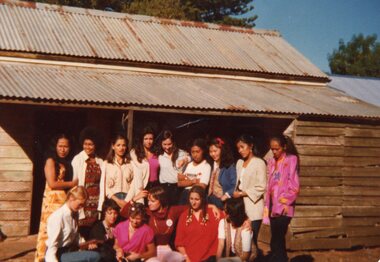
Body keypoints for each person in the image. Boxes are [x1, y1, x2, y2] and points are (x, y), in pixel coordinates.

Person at [120, 186, 221, 248]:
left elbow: (192, 205)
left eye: (153, 201)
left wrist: (211, 206)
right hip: (151, 251)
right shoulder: (147, 212)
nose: (149, 203)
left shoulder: (172, 211)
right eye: (148, 200)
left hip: (168, 250)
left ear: (161, 201)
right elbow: (124, 213)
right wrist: (135, 198)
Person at [35, 134, 78, 262]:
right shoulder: (50, 160)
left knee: (60, 233)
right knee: (47, 233)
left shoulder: (68, 162)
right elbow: (52, 183)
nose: (63, 149)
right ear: (55, 146)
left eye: (66, 146)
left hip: (63, 201)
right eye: (60, 146)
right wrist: (72, 184)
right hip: (52, 202)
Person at [263, 135, 300, 262]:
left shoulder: (291, 160)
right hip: (272, 205)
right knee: (277, 239)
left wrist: (285, 201)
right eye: (272, 149)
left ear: (284, 147)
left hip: (284, 206)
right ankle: (281, 258)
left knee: (277, 239)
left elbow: (294, 185)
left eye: (277, 149)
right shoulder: (271, 161)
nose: (274, 152)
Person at [45, 186, 101, 262]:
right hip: (58, 253)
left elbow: (75, 236)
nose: (81, 208)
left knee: (96, 252)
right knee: (94, 256)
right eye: (80, 204)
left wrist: (86, 244)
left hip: (69, 250)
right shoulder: (58, 217)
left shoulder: (74, 214)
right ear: (71, 198)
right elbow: (52, 246)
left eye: (83, 205)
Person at [233, 135, 266, 259]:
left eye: (242, 147)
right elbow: (238, 183)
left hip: (253, 207)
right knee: (243, 240)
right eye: (238, 148)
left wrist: (242, 193)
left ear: (251, 145)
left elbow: (261, 186)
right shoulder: (239, 163)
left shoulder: (259, 163)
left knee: (252, 241)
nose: (240, 150)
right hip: (241, 207)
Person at [72, 127, 105, 239]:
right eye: (85, 144)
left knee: (94, 231)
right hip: (83, 201)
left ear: (95, 145)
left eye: (91, 144)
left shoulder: (100, 161)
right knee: (81, 231)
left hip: (96, 202)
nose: (87, 147)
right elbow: (75, 182)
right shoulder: (78, 159)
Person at [175, 186, 220, 262]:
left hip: (210, 258)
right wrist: (187, 258)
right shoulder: (184, 216)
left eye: (197, 199)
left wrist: (246, 222)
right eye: (191, 199)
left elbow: (231, 215)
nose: (193, 202)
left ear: (202, 199)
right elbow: (179, 243)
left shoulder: (212, 212)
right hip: (190, 258)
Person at [158, 130, 189, 205]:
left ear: (173, 143)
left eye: (169, 144)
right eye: (164, 144)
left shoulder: (181, 153)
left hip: (177, 187)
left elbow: (190, 157)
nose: (167, 147)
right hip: (164, 187)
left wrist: (185, 160)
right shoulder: (159, 155)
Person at [104, 134, 135, 208]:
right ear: (113, 146)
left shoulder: (131, 164)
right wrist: (117, 200)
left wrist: (126, 201)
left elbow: (133, 184)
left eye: (124, 145)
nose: (121, 148)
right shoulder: (106, 164)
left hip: (128, 198)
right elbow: (104, 186)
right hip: (112, 200)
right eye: (118, 145)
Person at [178, 138, 211, 205]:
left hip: (197, 196)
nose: (195, 155)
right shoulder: (188, 165)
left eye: (197, 151)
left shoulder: (206, 166)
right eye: (193, 152)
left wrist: (186, 181)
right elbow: (179, 183)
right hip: (184, 195)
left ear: (203, 151)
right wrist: (193, 181)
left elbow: (202, 186)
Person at [208, 137, 237, 209]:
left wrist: (227, 195)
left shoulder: (229, 167)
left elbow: (235, 185)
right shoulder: (211, 164)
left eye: (215, 151)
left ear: (222, 150)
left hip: (221, 201)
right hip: (210, 199)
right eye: (211, 152)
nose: (213, 154)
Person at [130, 127, 159, 195]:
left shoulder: (157, 152)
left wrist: (186, 158)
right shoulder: (135, 153)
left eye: (151, 139)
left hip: (155, 185)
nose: (148, 142)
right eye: (146, 139)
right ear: (142, 139)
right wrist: (140, 186)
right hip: (142, 185)